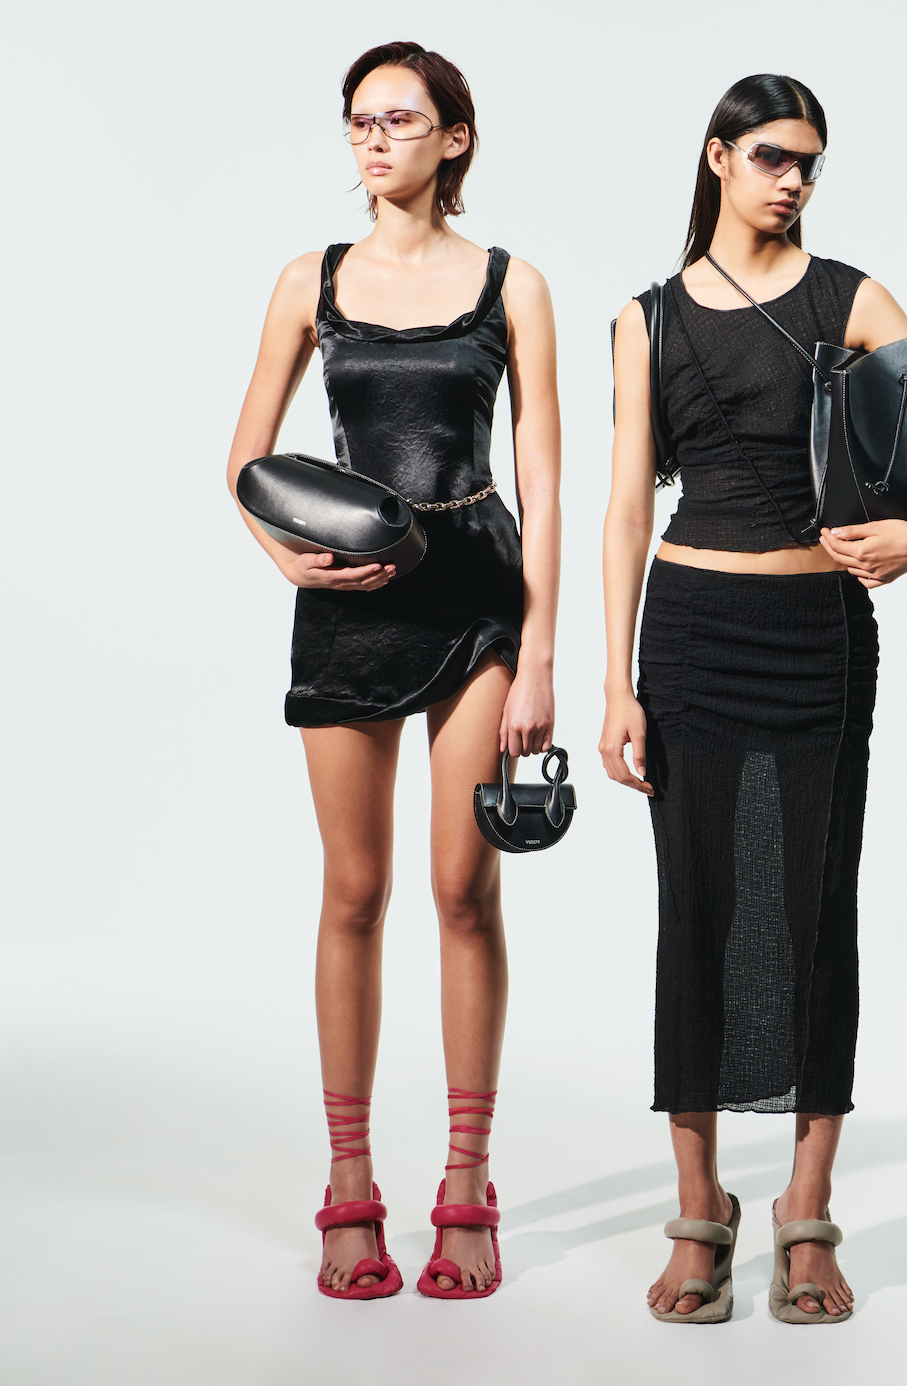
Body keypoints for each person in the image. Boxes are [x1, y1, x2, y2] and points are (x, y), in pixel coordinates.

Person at [600, 73, 907, 1324]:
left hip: (819, 638)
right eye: (774, 155)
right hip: (690, 638)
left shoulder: (853, 297)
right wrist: (616, 684)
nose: (794, 180)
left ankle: (807, 1211)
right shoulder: (647, 318)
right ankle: (700, 1208)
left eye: (810, 163)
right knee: (699, 913)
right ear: (717, 156)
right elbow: (624, 510)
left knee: (816, 909)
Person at [227, 40, 560, 1301]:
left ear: (454, 138)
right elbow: (246, 461)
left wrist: (539, 652)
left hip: (476, 597)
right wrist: (281, 557)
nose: (374, 141)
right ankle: (350, 1180)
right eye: (359, 122)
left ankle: (468, 1182)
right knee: (354, 891)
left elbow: (545, 481)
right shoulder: (307, 280)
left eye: (401, 121)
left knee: (464, 891)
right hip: (350, 603)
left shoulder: (512, 283)